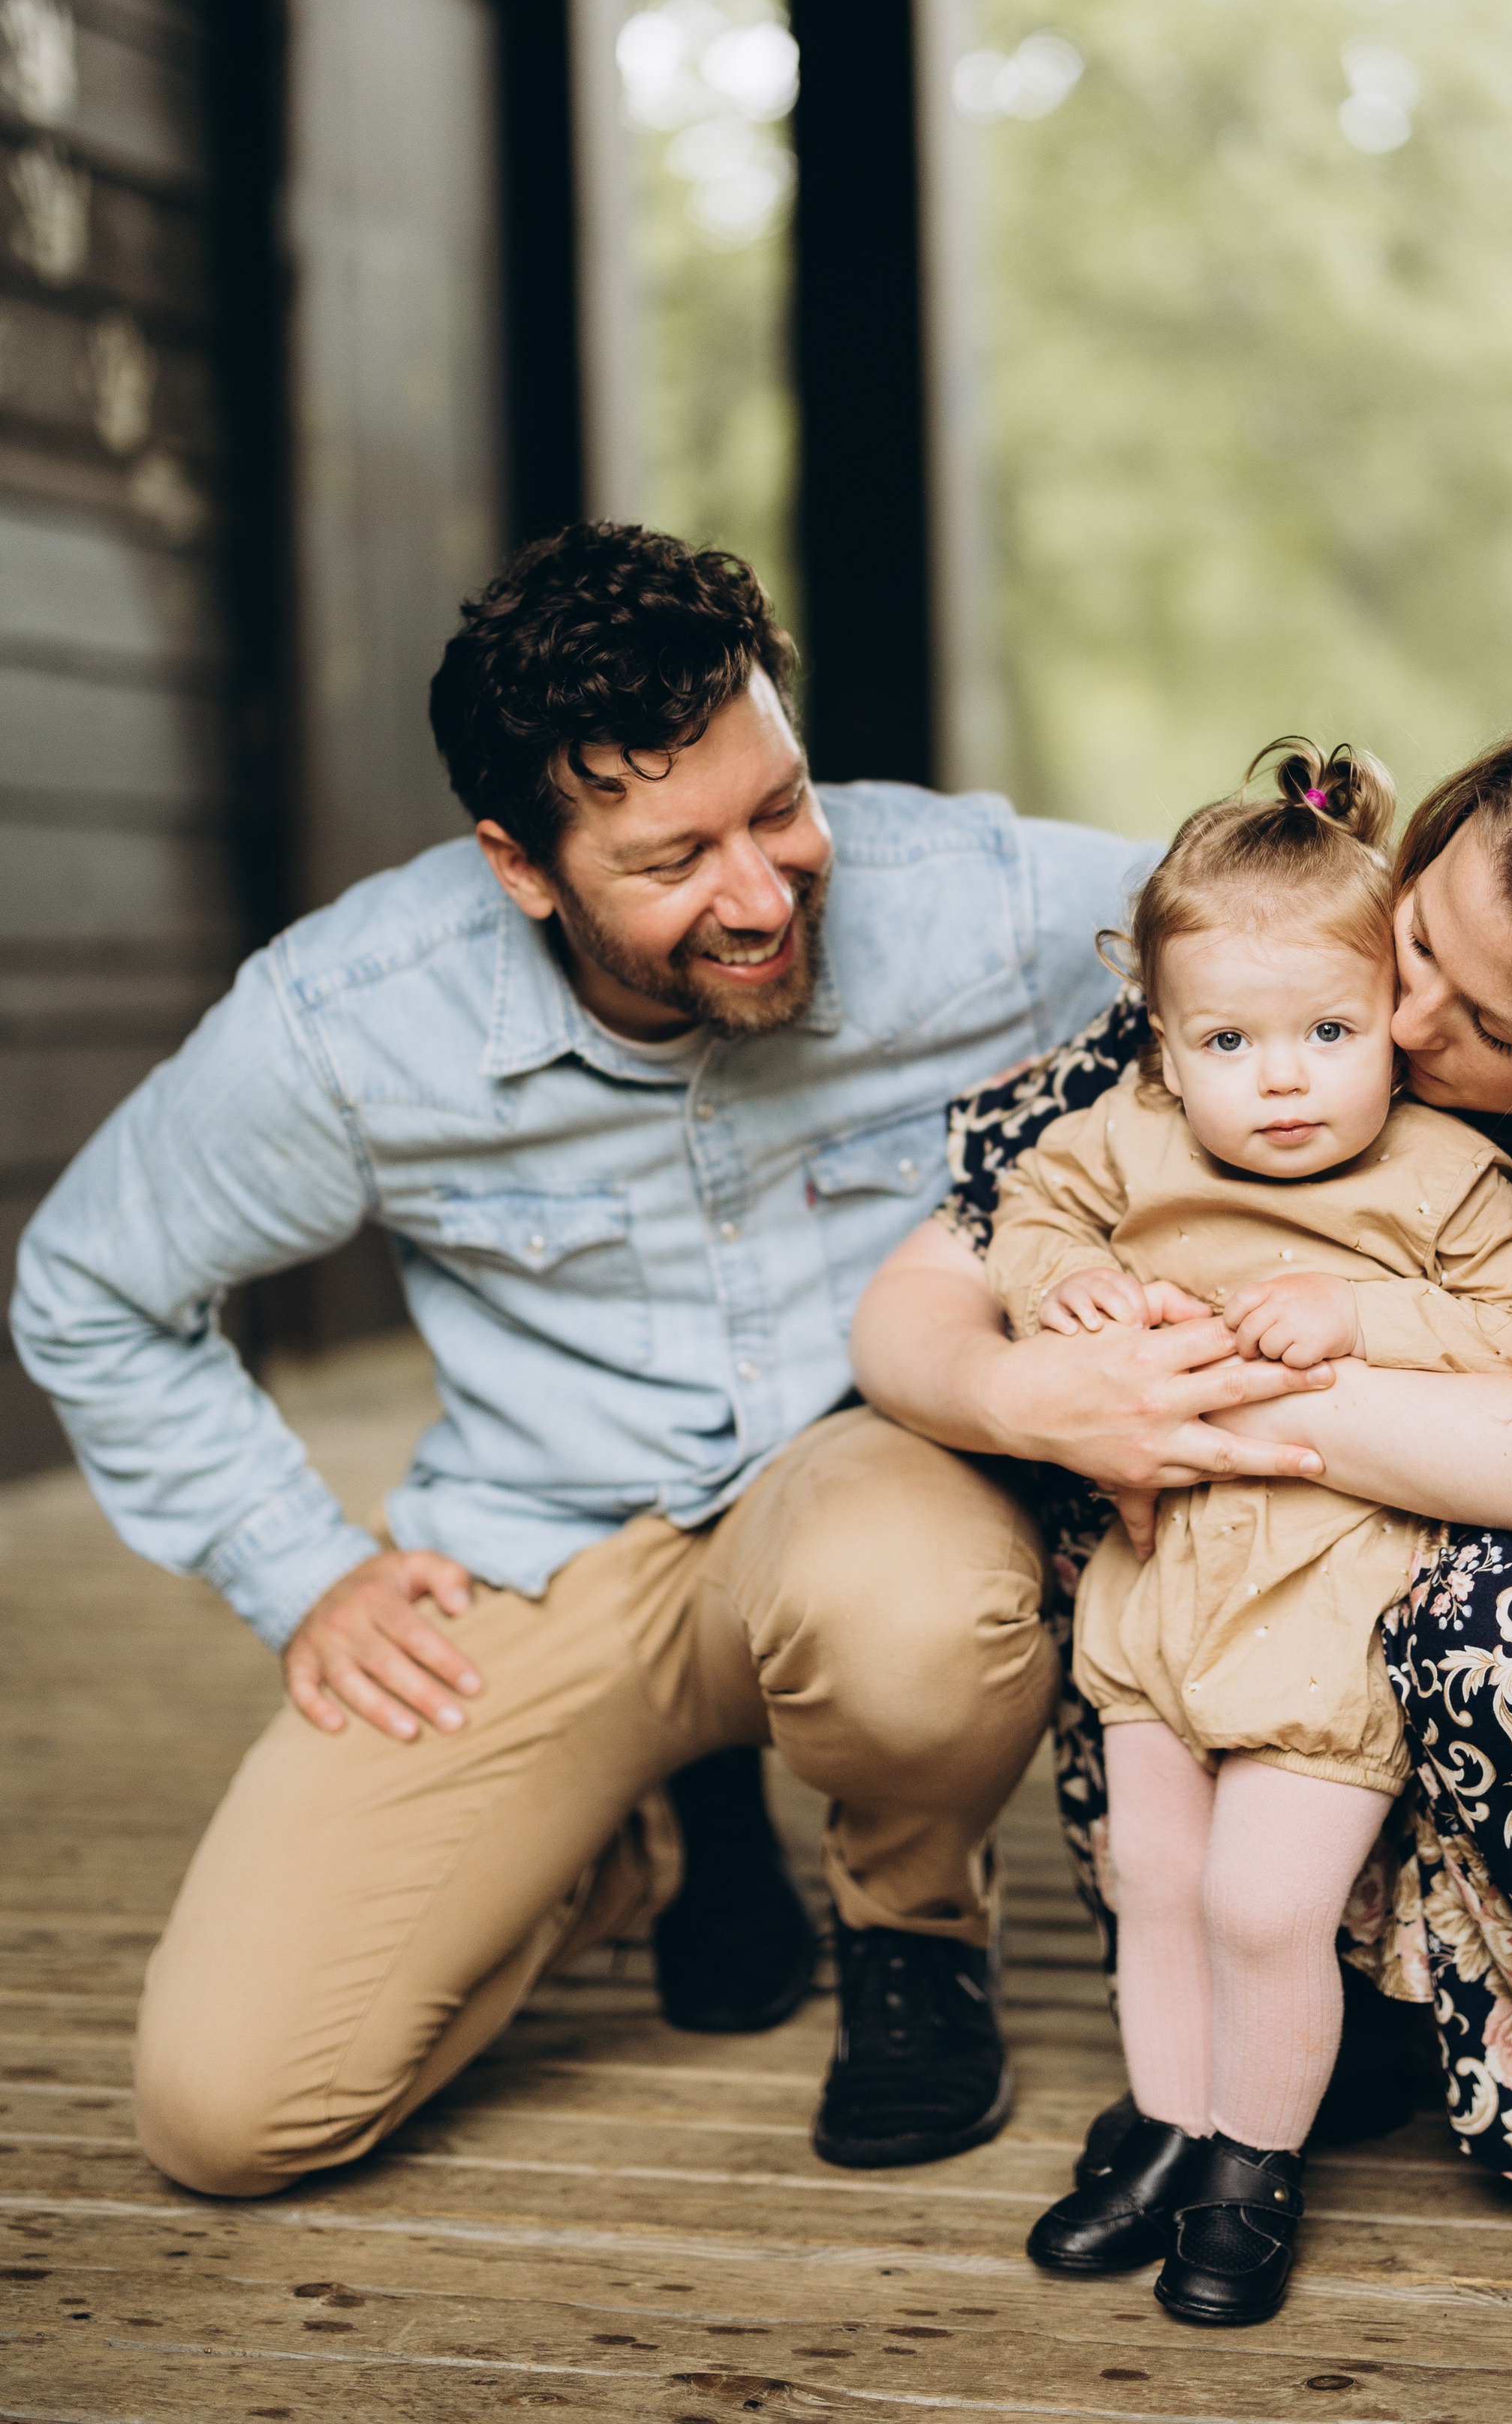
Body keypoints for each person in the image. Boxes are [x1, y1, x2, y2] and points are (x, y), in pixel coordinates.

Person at [8, 519, 1230, 2196]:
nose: (761, 891)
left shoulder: (988, 901)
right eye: (672, 861)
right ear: (520, 865)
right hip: (544, 1542)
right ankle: (632, 1845)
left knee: (908, 1613)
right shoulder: (351, 1020)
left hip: (861, 1489)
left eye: (779, 808)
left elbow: (1307, 949)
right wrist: (296, 1570)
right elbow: (88, 1287)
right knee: (229, 2115)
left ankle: (908, 1925)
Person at [851, 686, 1512, 2223]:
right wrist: (1032, 1397)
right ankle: (1284, 2011)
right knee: (1143, 1513)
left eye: (1491, 1029)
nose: (1405, 1028)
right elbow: (929, 1282)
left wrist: (1222, 1404)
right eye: (1419, 942)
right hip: (1348, 1507)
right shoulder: (1293, 974)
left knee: (1507, 1616)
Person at [986, 737, 1512, 2323]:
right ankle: (1171, 2132)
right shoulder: (1129, 1141)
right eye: (1231, 1041)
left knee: (1263, 1904)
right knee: (1155, 1886)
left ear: (1386, 1014)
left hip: (1321, 1600)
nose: (1287, 1077)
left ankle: (1254, 2163)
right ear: (1166, 1051)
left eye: (1328, 1029)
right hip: (1157, 1578)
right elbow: (1027, 1214)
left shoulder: (1444, 1177)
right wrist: (1065, 1289)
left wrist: (1359, 1311)